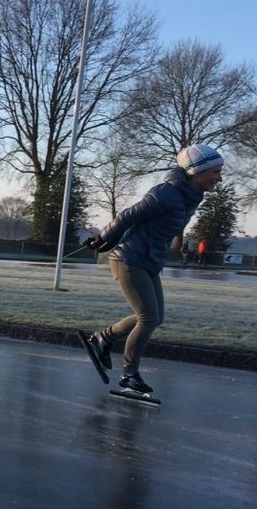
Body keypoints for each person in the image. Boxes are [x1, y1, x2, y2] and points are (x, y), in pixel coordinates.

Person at [82, 143, 223, 395]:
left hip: (149, 260)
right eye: (215, 172)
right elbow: (128, 216)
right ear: (196, 171)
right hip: (129, 259)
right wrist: (102, 238)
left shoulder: (192, 195)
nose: (218, 178)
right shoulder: (167, 193)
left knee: (155, 318)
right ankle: (129, 375)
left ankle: (104, 337)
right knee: (148, 318)